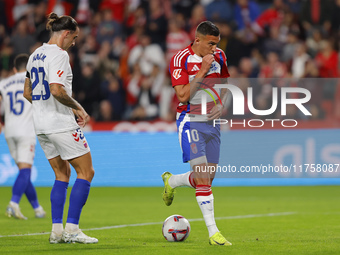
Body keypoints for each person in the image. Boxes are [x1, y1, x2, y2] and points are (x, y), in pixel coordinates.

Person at [23, 13, 97, 244]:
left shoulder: (35, 54)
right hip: (59, 123)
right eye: (73, 37)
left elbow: (27, 93)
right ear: (65, 34)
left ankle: (56, 231)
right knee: (86, 172)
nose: (74, 43)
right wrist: (77, 107)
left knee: (61, 174)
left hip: (41, 124)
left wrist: (45, 109)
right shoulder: (59, 54)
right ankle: (72, 229)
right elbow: (56, 89)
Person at [163, 21, 232, 246]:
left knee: (207, 179)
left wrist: (223, 105)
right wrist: (202, 69)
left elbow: (226, 86)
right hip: (190, 121)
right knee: (203, 178)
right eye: (211, 44)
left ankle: (172, 181)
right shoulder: (180, 59)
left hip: (212, 122)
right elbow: (182, 96)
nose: (214, 48)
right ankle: (214, 233)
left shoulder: (220, 56)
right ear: (198, 40)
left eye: (217, 44)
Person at [0, 54, 46, 220]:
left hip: (9, 131)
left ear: (14, 69)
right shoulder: (33, 82)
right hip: (26, 130)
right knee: (25, 171)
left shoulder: (4, 83)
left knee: (23, 172)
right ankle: (13, 204)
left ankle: (37, 208)